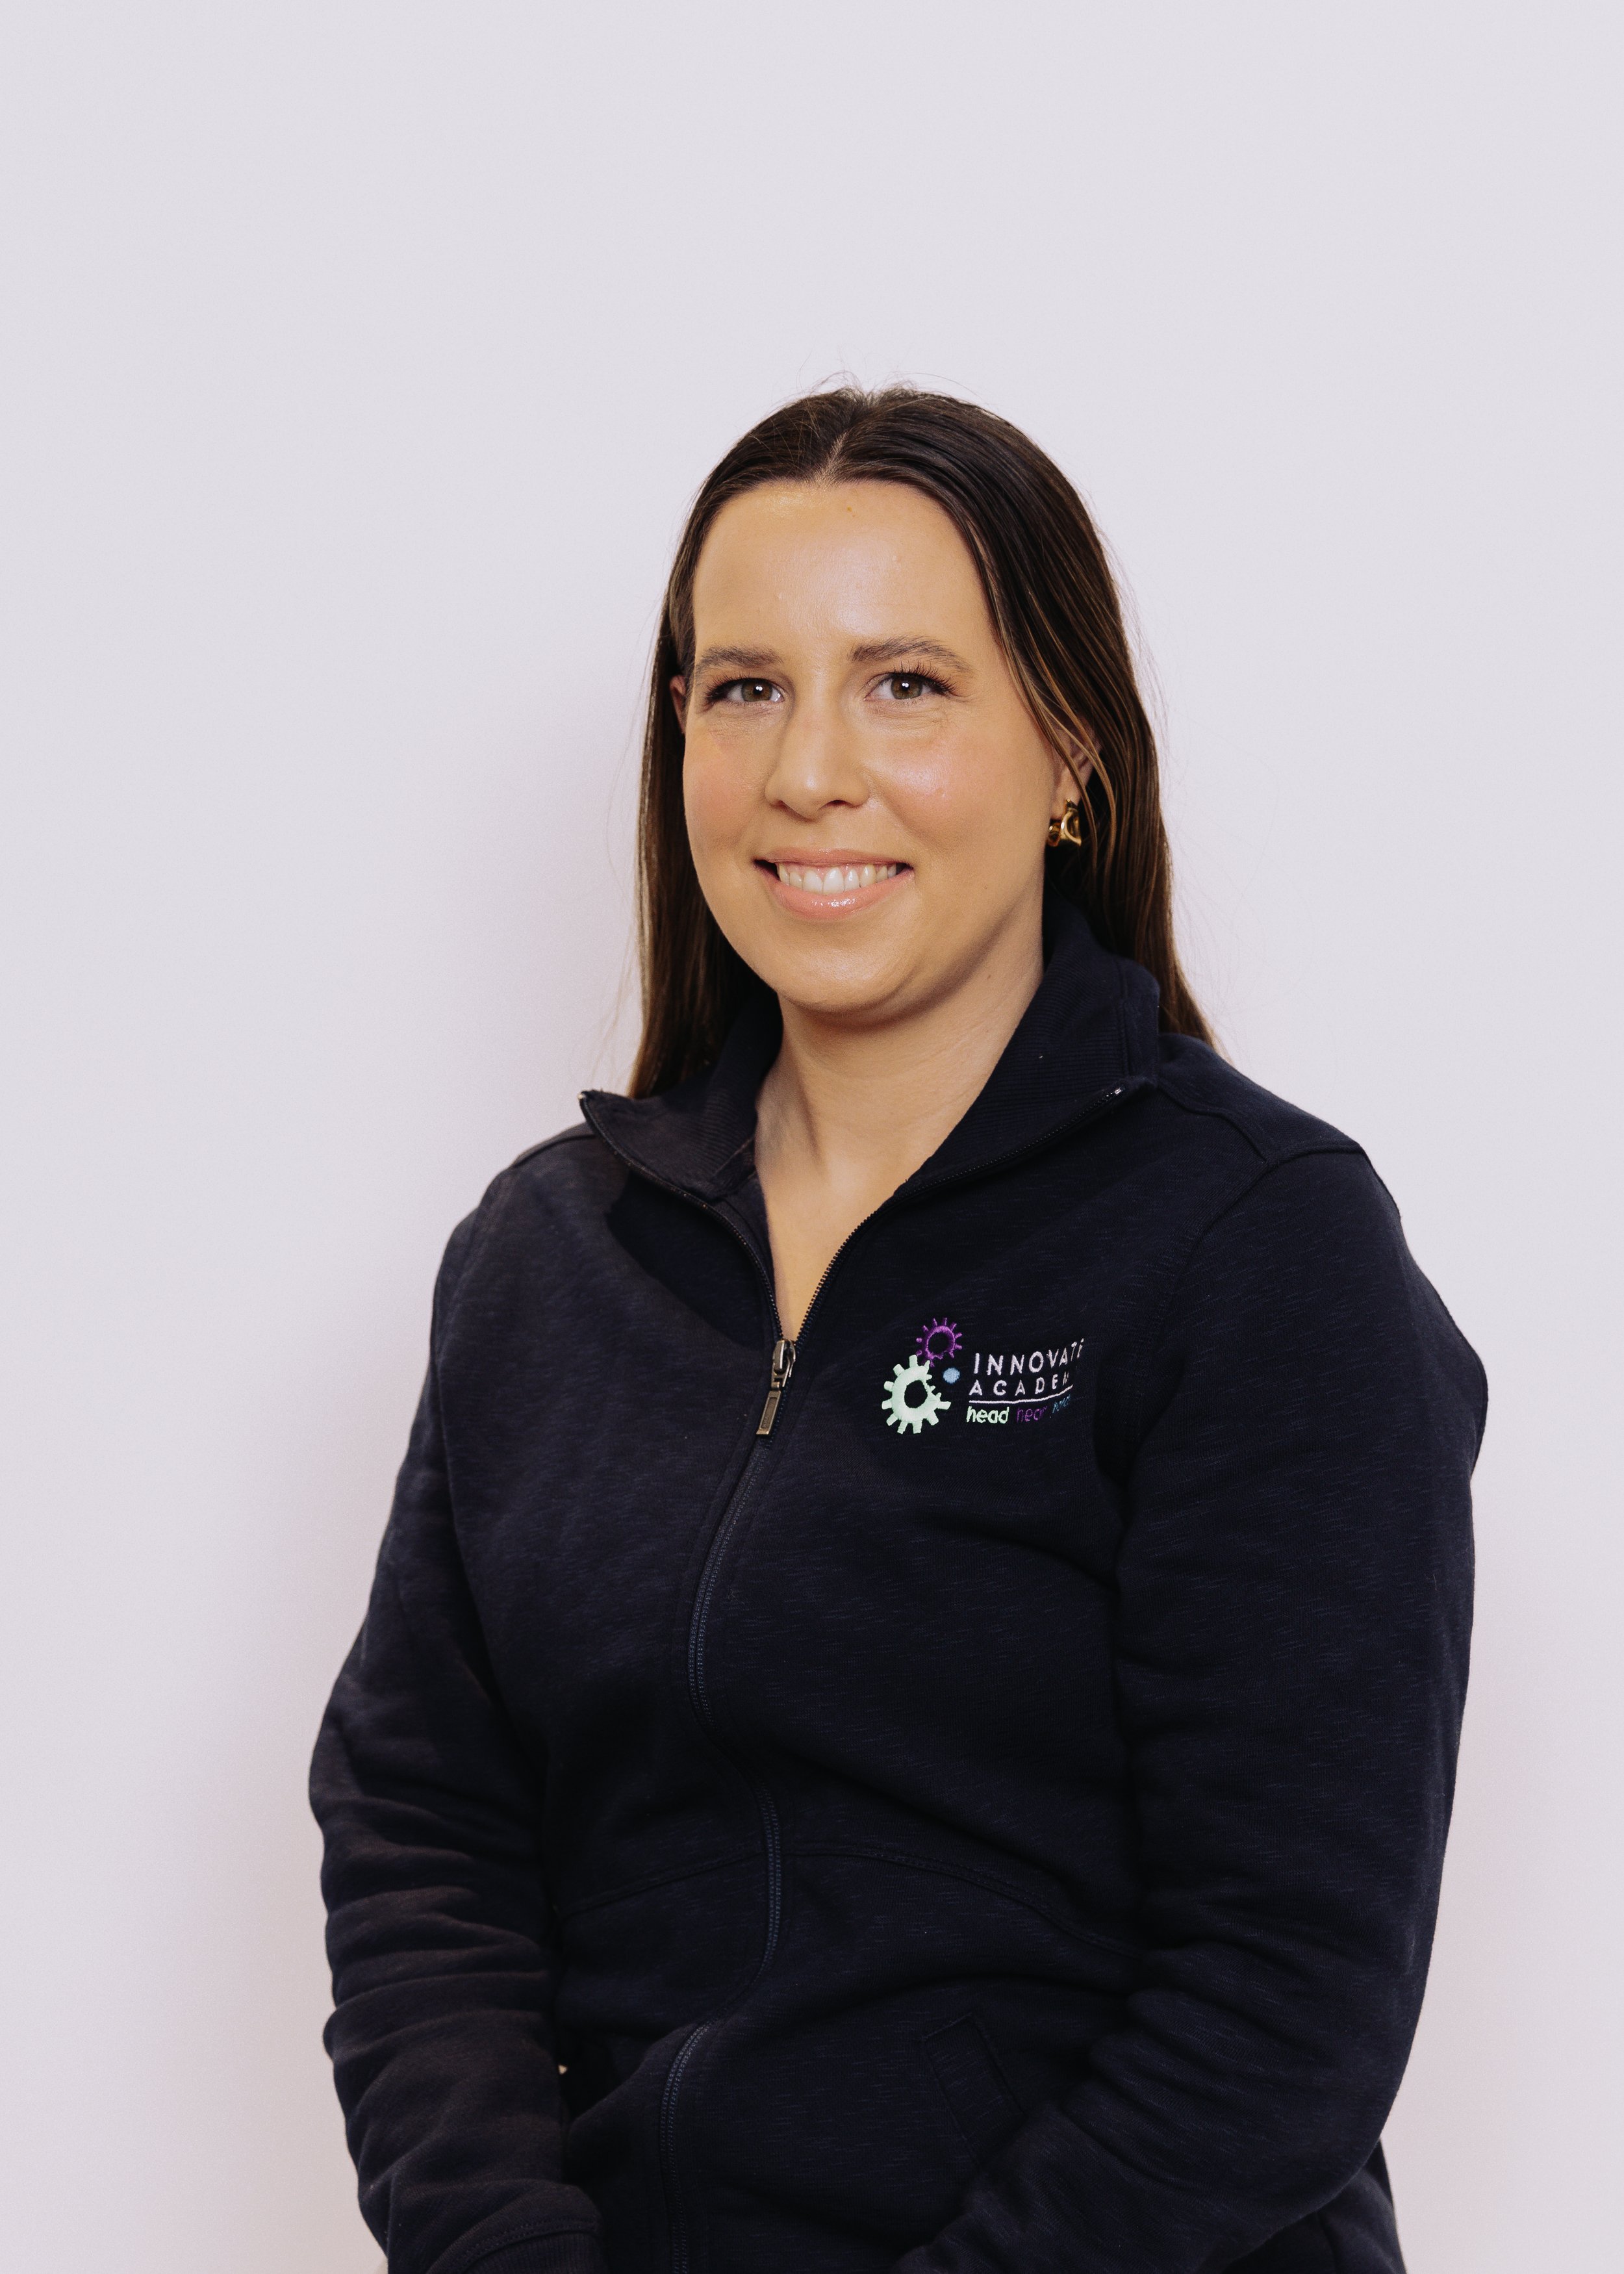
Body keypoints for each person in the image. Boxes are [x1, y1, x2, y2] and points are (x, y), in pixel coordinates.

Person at [311, 387, 1485, 2274]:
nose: (808, 772)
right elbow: (424, 1844)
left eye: (907, 684)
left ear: (1068, 754)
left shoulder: (1255, 1245)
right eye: (743, 687)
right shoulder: (547, 1259)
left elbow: (1286, 1992)